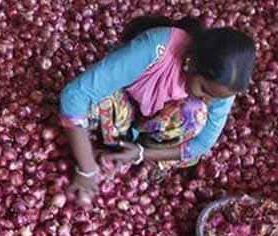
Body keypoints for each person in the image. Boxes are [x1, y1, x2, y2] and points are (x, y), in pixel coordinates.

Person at [60, 16, 257, 206]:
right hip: (122, 106)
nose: (209, 100)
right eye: (204, 90)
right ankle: (106, 145)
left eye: (217, 97)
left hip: (153, 129)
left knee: (196, 114)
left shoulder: (224, 85)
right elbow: (74, 95)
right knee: (97, 100)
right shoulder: (157, 49)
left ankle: (136, 150)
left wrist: (141, 153)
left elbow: (202, 143)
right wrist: (87, 170)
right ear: (191, 62)